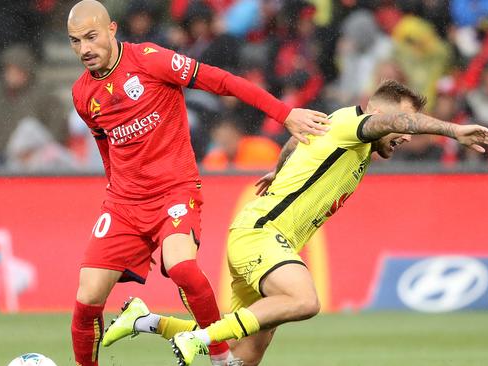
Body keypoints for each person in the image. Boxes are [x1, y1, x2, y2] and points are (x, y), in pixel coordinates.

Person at [103, 80, 488, 366]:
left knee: (243, 356)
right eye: (402, 124)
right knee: (305, 301)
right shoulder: (355, 124)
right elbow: (385, 123)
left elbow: (296, 140)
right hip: (262, 234)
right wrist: (453, 131)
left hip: (262, 238)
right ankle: (199, 337)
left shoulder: (336, 126)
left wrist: (278, 171)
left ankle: (143, 319)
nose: (405, 135)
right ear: (381, 114)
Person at [65, 2, 331, 366]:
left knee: (182, 268)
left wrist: (284, 114)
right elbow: (104, 142)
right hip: (123, 204)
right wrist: (113, 188)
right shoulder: (83, 94)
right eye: (75, 42)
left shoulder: (150, 60)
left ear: (112, 30)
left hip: (174, 190)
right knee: (86, 300)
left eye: (91, 37)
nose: (84, 49)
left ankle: (219, 360)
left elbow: (224, 81)